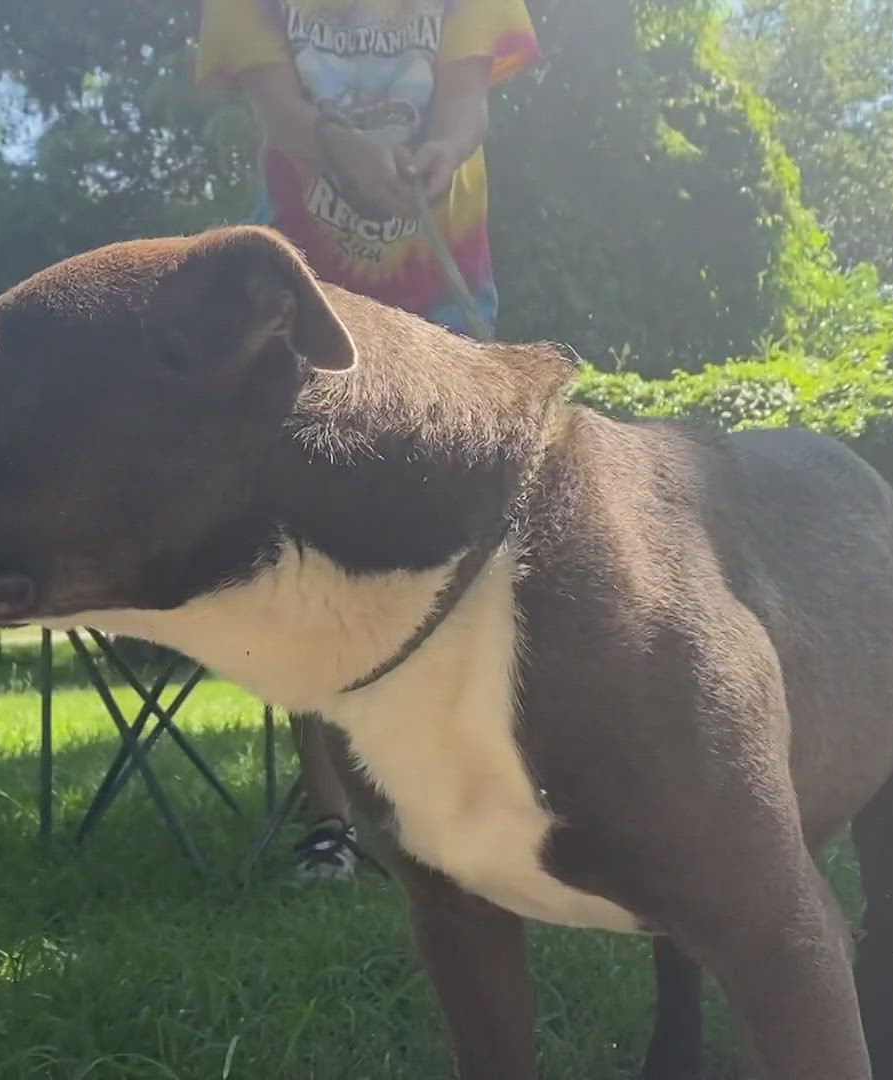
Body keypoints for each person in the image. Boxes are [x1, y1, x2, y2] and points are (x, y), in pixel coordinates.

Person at [197, 0, 540, 879]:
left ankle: (459, 800)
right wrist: (338, 146)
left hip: (441, 286)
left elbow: (468, 106)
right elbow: (284, 120)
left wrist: (444, 150)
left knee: (464, 544)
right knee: (304, 553)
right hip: (295, 302)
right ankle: (332, 820)